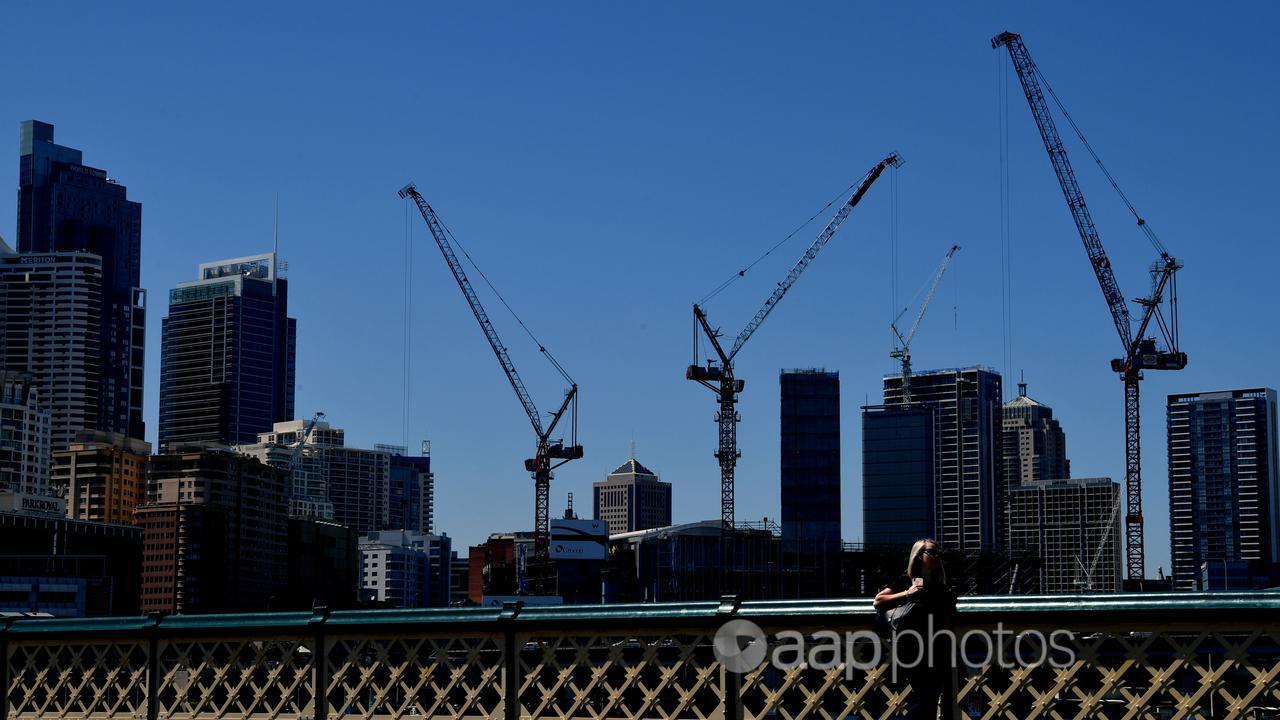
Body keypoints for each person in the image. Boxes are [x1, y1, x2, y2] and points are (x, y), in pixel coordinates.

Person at [873, 538, 957, 720]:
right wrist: (908, 593)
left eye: (938, 553)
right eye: (931, 552)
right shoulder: (907, 580)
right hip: (913, 648)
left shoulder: (940, 584)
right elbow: (878, 601)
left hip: (937, 648)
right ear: (919, 556)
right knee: (926, 700)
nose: (936, 557)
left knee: (931, 701)